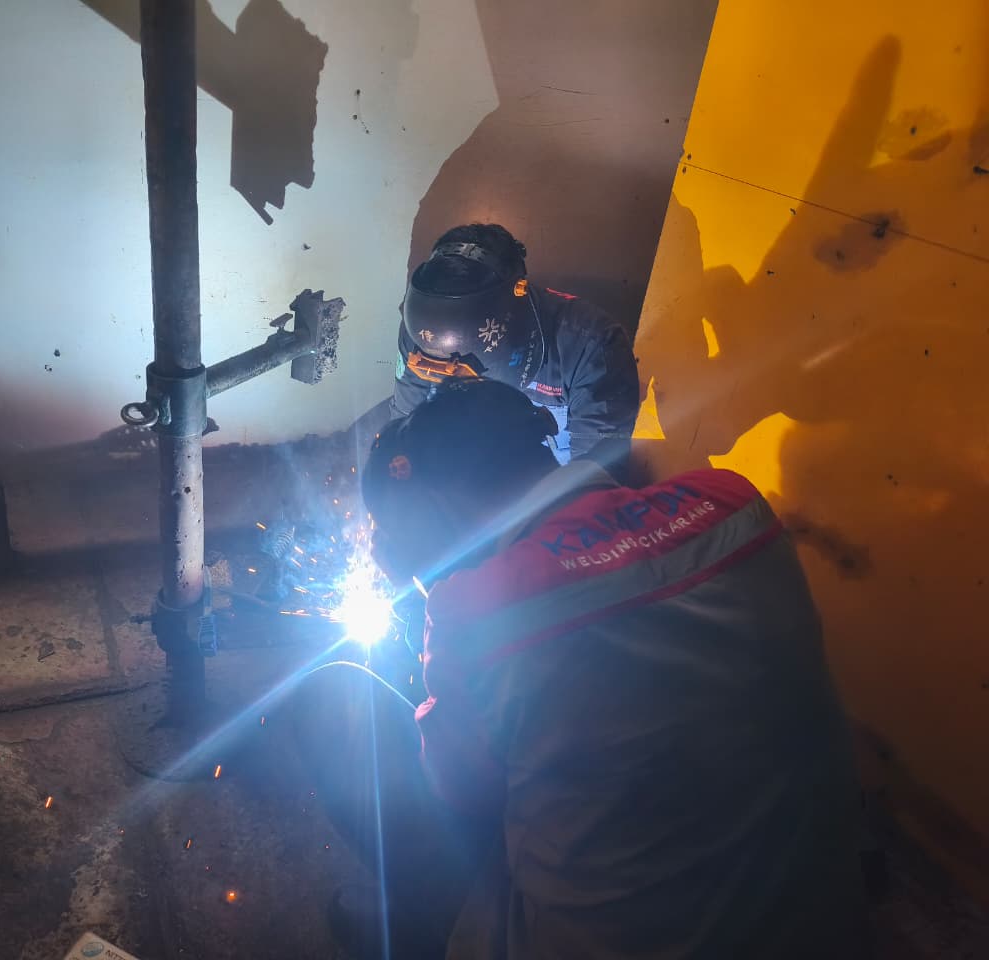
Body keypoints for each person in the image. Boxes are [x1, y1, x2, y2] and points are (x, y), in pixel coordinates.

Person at [286, 378, 867, 959]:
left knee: (329, 701)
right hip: (823, 926)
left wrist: (435, 590)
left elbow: (461, 798)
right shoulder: (732, 501)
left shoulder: (474, 607)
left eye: (390, 530)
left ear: (432, 505)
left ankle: (434, 933)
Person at [392, 223, 640, 477]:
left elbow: (594, 480)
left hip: (557, 483)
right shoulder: (422, 334)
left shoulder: (591, 347)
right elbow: (403, 425)